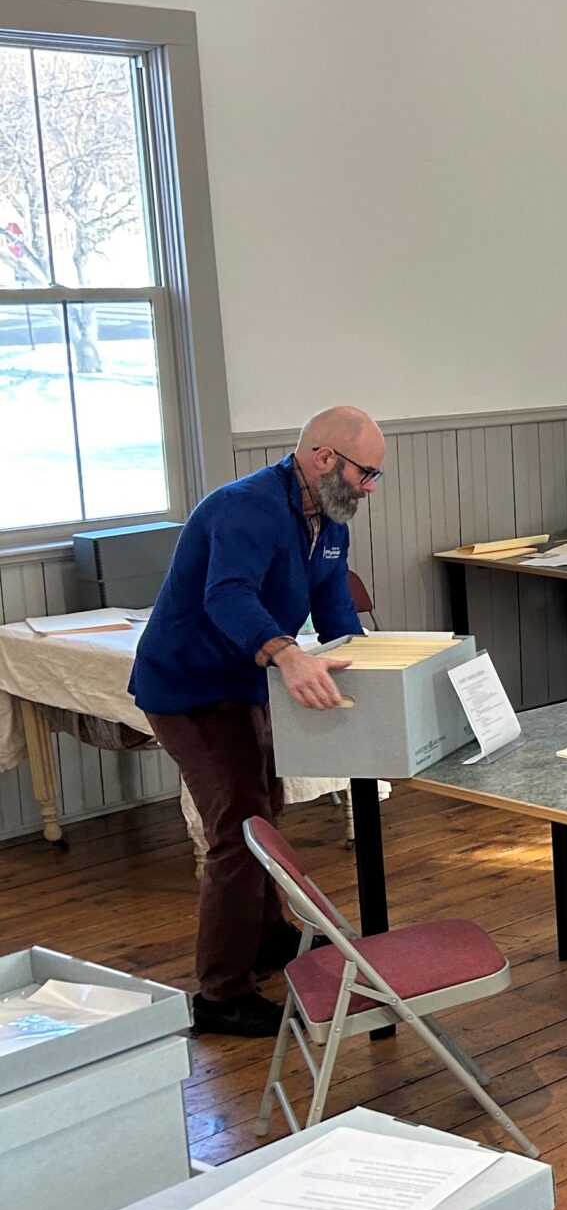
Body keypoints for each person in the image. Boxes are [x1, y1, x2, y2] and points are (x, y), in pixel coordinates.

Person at [129, 407, 384, 1037]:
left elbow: (330, 601)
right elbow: (228, 594)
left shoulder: (327, 516)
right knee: (239, 831)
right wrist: (288, 653)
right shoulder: (244, 507)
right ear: (325, 458)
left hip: (241, 681)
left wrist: (375, 666)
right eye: (366, 472)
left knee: (264, 807)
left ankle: (267, 936)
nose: (371, 487)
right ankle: (221, 993)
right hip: (188, 688)